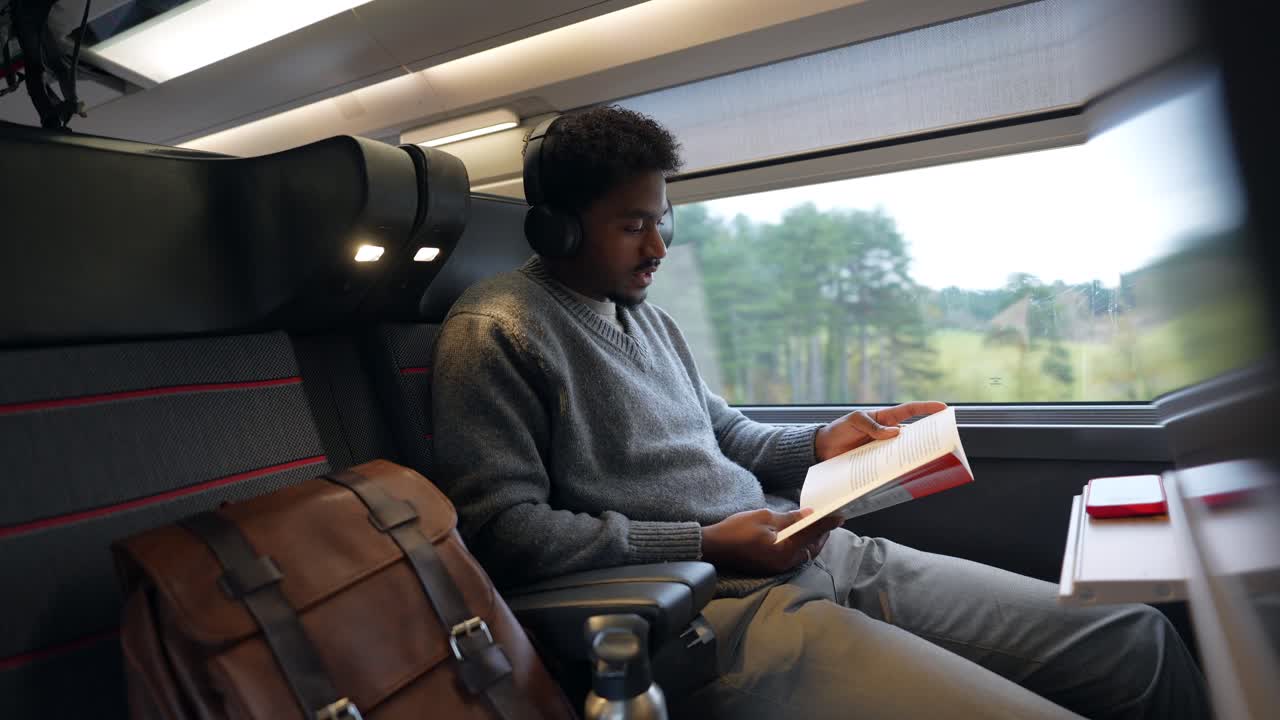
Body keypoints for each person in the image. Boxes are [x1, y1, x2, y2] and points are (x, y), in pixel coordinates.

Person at [431, 106, 1208, 719]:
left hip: (818, 553)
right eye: (633, 226)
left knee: (1138, 641)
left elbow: (725, 435)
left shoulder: (648, 319)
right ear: (559, 228)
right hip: (716, 610)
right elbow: (504, 533)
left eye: (662, 221)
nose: (658, 247)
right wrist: (706, 541)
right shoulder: (497, 331)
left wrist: (824, 440)